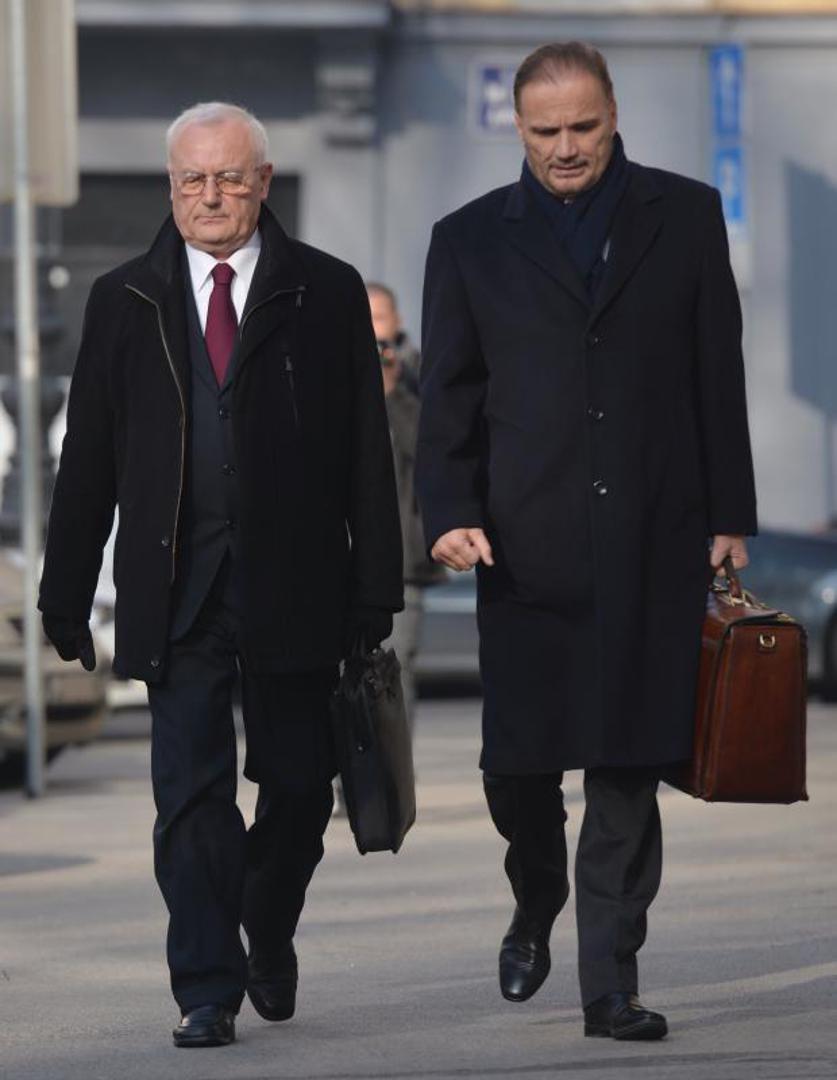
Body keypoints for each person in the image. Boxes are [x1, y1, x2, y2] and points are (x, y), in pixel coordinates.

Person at [38, 102, 403, 1049]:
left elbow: (366, 451)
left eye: (229, 178)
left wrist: (376, 586)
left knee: (299, 786)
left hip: (296, 586)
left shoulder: (324, 291)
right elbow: (90, 460)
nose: (210, 196)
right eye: (192, 179)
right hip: (176, 590)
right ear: (171, 187)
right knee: (190, 798)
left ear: (262, 183)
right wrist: (64, 591)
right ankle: (206, 985)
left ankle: (265, 926)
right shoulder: (124, 298)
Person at [416, 42, 756, 1041]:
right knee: (519, 768)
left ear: (613, 117)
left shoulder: (684, 215)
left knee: (626, 766)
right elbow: (450, 398)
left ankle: (610, 982)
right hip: (524, 550)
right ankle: (536, 892)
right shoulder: (468, 239)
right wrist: (447, 511)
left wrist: (729, 515)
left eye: (582, 128)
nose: (564, 148)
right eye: (544, 131)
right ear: (517, 128)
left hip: (655, 539)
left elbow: (717, 372)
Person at [366, 282, 443, 733]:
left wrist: (393, 392)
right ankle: (350, 770)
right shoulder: (331, 369)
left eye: (379, 318)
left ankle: (392, 770)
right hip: (343, 554)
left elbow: (432, 451)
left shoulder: (419, 375)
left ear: (396, 322)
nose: (372, 329)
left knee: (394, 670)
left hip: (401, 561)